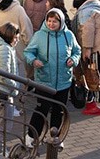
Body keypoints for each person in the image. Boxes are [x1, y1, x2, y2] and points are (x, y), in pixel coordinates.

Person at [23, 9, 81, 149]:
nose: (51, 24)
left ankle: (56, 137)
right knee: (41, 110)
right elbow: (28, 52)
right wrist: (34, 61)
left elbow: (77, 51)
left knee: (59, 111)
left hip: (63, 82)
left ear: (60, 22)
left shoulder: (69, 35)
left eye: (55, 21)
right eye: (49, 21)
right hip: (44, 81)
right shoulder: (39, 36)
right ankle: (30, 136)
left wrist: (73, 60)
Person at [0, 0, 34, 80]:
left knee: (1, 75)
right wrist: (30, 46)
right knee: (12, 76)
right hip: (15, 49)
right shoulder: (19, 10)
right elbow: (26, 31)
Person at [0, 22, 20, 151]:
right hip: (5, 91)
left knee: (4, 122)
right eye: (16, 36)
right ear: (10, 36)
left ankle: (0, 148)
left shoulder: (4, 47)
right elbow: (5, 74)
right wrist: (15, 87)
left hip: (3, 89)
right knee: (4, 124)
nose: (18, 38)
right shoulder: (4, 49)